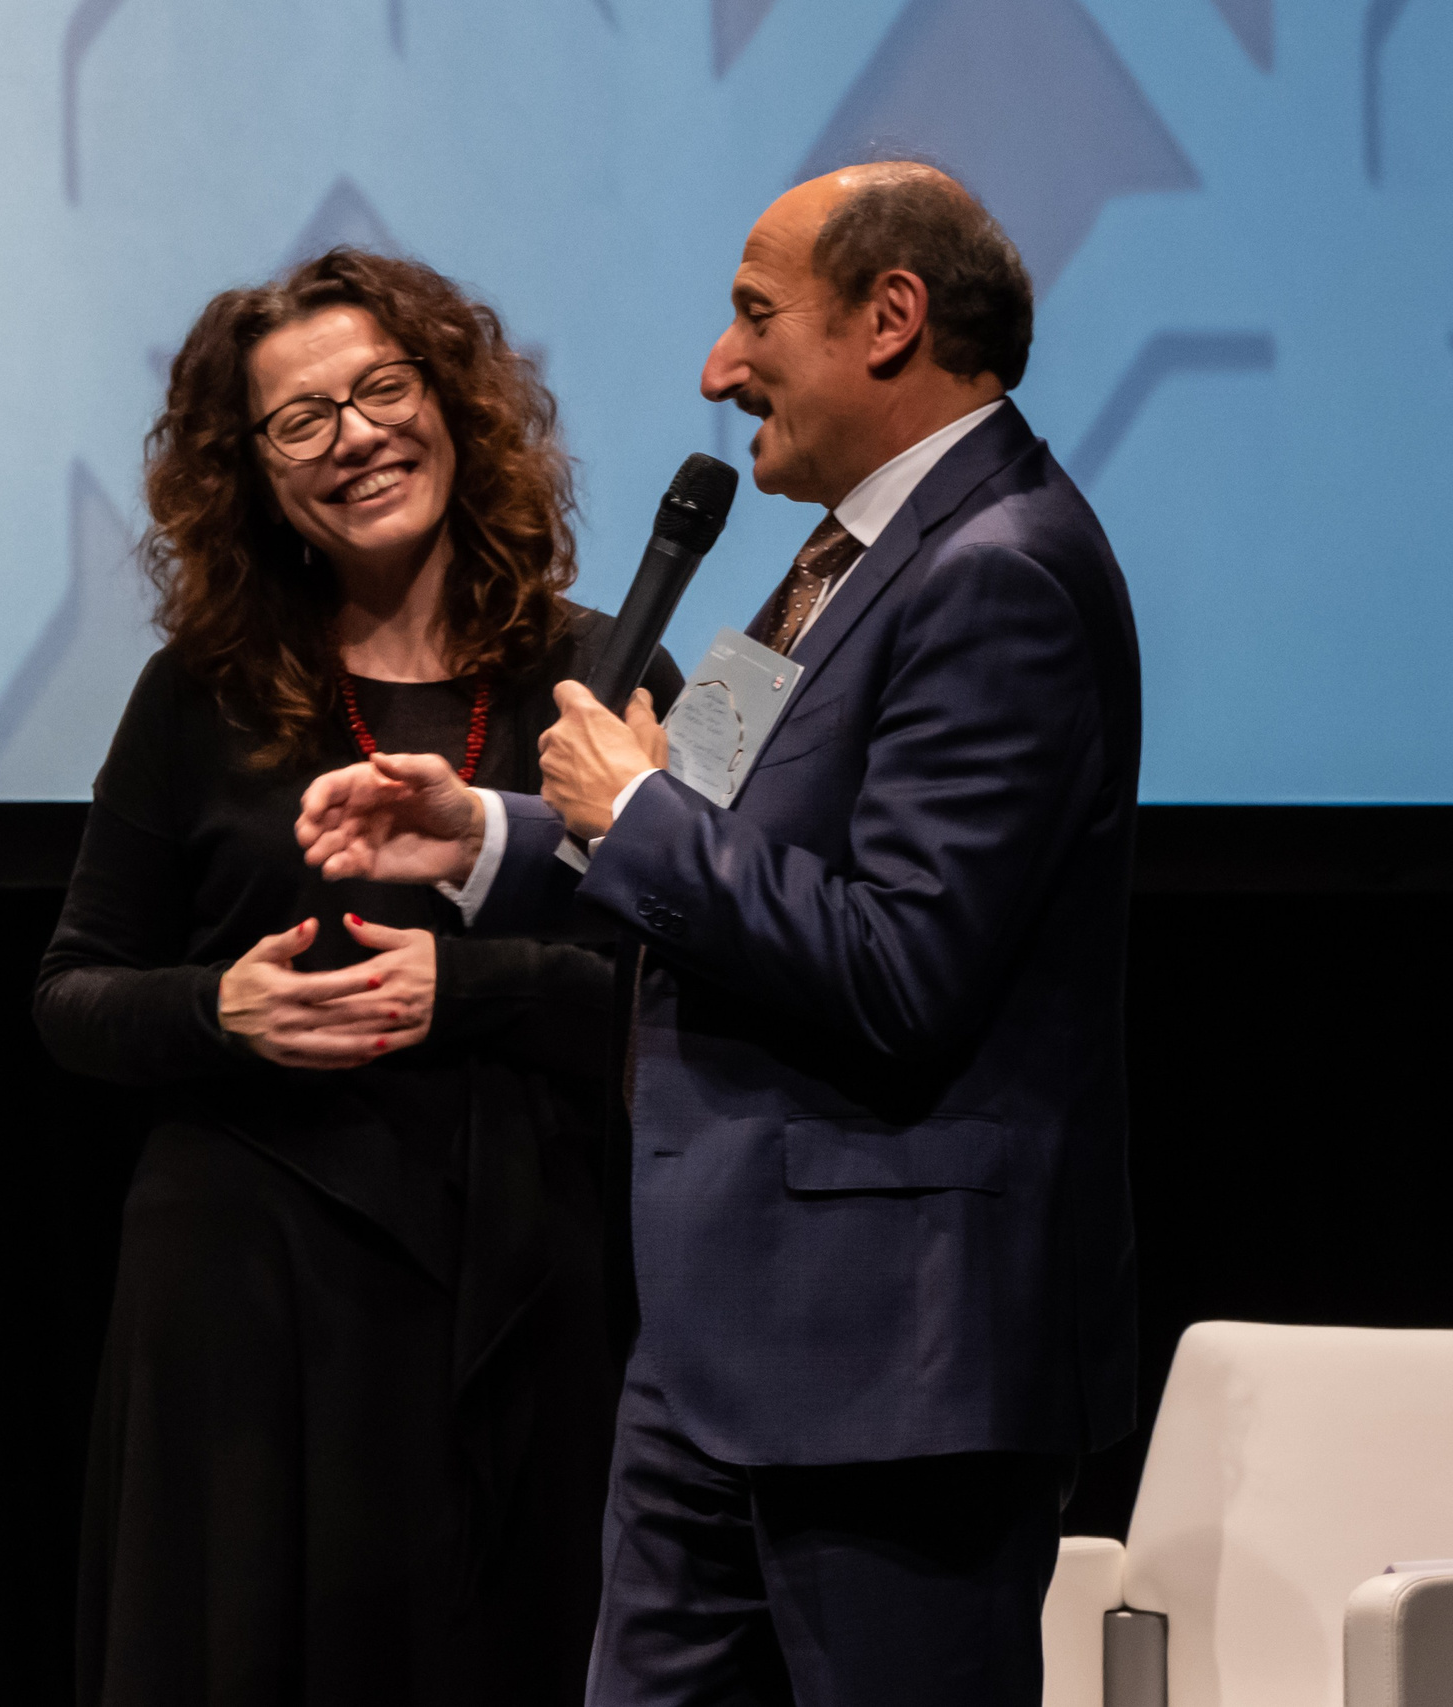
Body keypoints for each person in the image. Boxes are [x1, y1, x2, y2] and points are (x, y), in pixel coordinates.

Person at [295, 166, 1142, 1705]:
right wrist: (489, 830)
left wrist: (633, 818)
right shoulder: (838, 558)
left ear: (891, 322)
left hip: (898, 1370)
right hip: (715, 1352)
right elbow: (689, 805)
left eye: (755, 318)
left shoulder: (999, 574)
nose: (716, 367)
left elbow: (902, 965)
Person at [35, 247, 685, 1707]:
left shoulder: (600, 679)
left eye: (384, 390)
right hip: (247, 1291)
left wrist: (469, 993)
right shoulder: (200, 690)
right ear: (254, 477)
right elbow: (74, 994)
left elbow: (684, 994)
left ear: (454, 405)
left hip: (526, 1266)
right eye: (301, 421)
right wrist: (220, 1010)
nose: (357, 437)